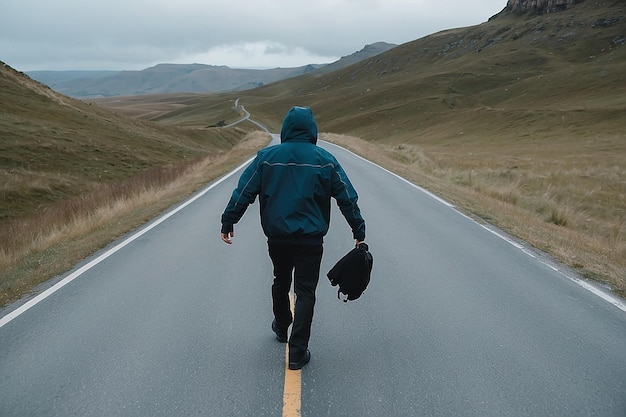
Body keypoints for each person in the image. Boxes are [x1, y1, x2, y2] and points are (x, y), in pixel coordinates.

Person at [220, 106, 366, 370]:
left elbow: (245, 191)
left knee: (280, 279)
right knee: (305, 291)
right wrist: (359, 231)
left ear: (286, 129)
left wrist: (229, 220)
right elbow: (347, 196)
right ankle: (297, 352)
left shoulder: (266, 157)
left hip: (277, 238)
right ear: (312, 131)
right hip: (310, 240)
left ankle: (281, 324)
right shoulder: (326, 160)